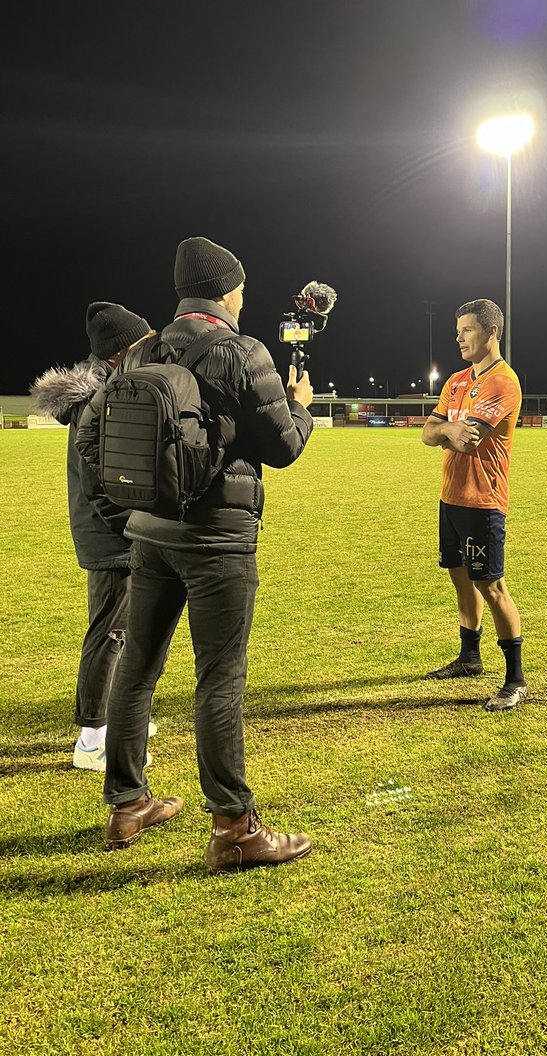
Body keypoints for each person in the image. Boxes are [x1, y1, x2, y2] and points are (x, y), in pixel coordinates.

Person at [77, 236, 315, 871]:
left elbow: (90, 438)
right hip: (218, 541)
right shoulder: (244, 352)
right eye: (241, 289)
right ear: (227, 292)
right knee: (220, 678)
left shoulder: (144, 349)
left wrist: (134, 502)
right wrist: (300, 406)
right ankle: (234, 828)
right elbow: (284, 447)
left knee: (137, 669)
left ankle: (127, 802)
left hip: (150, 537)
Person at [30, 302, 155, 771]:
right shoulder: (97, 402)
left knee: (124, 631)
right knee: (110, 632)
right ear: (121, 351)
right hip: (112, 536)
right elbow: (100, 484)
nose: (151, 350)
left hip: (113, 531)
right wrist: (134, 528)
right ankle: (92, 738)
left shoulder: (107, 392)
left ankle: (117, 718)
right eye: (143, 343)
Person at [421, 299, 527, 711]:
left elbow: (468, 441)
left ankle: (515, 679)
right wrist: (448, 429)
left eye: (467, 330)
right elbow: (428, 434)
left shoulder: (502, 382)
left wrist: (445, 431)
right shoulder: (457, 380)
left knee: (491, 586)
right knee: (460, 578)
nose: (459, 338)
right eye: (458, 330)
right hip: (451, 497)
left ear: (491, 331)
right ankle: (469, 658)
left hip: (483, 501)